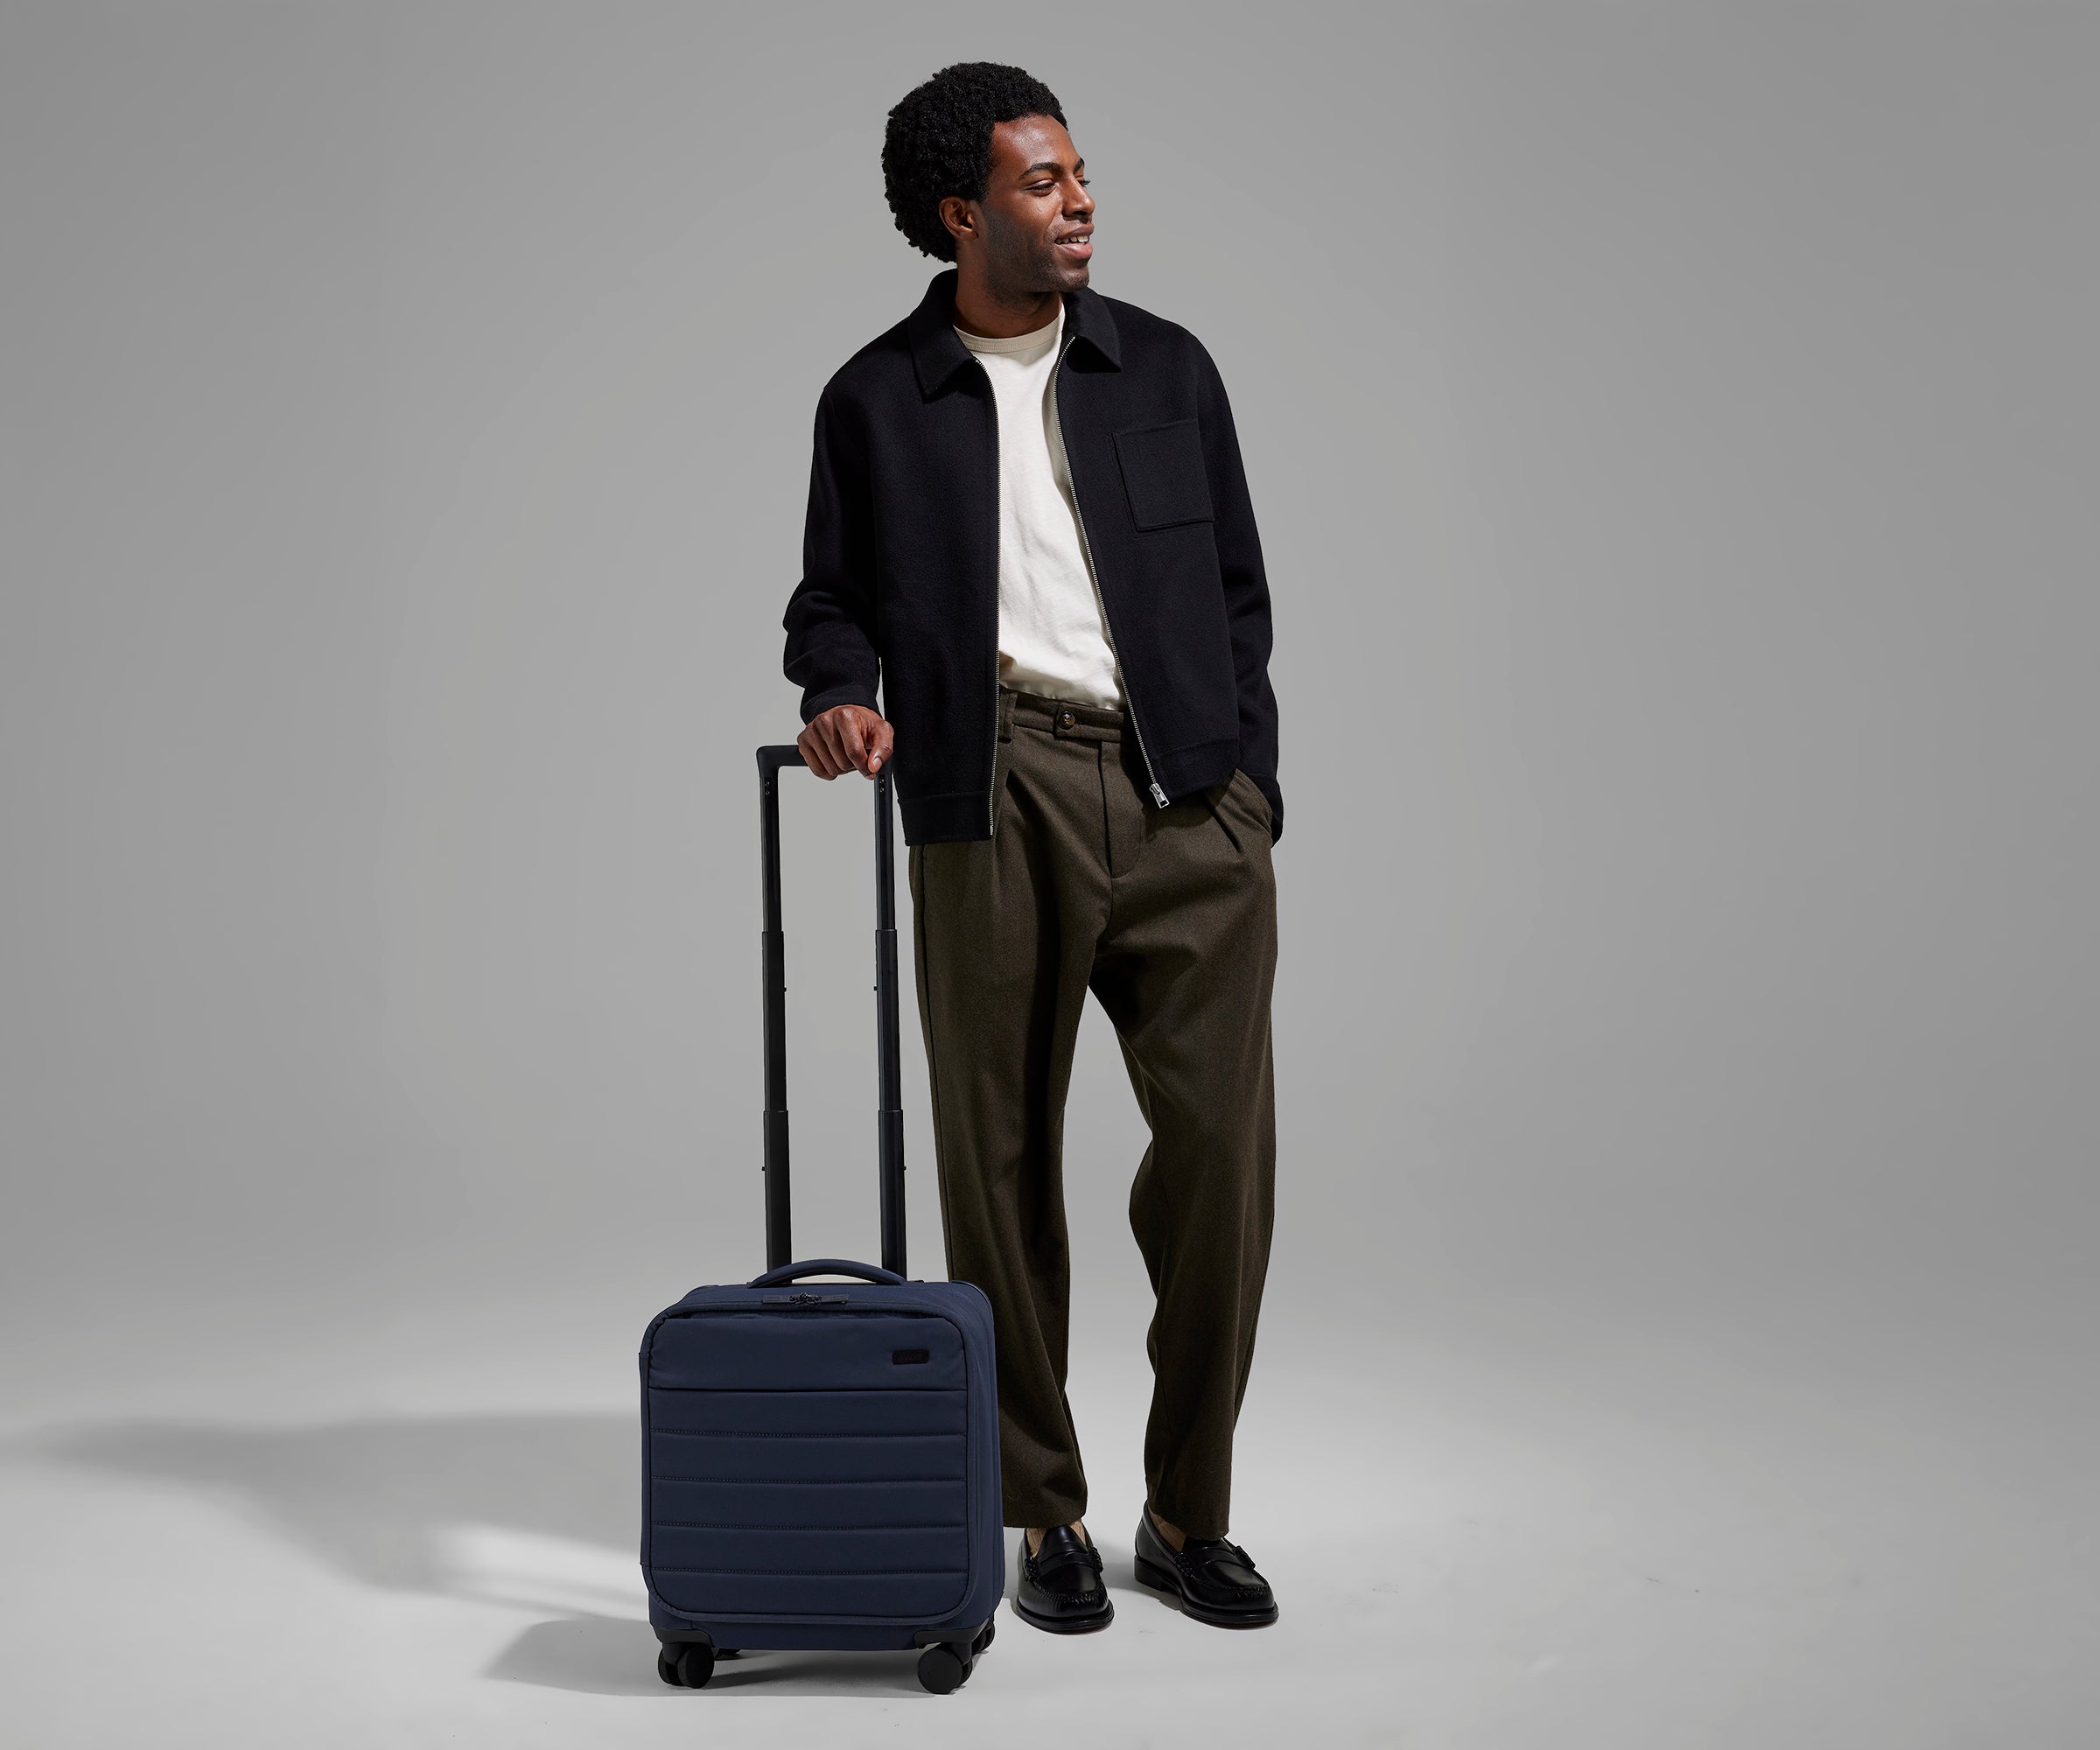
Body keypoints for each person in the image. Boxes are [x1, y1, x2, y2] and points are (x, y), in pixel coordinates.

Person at [781, 61, 1283, 1634]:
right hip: (989, 791)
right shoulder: (877, 398)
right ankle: (1042, 1508)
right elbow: (829, 603)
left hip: (1186, 798)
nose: (1079, 204)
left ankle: (1188, 1509)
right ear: (961, 212)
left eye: (1079, 176)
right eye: (1043, 182)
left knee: (1223, 1163)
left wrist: (1249, 788)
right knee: (997, 1171)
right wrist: (843, 694)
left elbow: (1243, 597)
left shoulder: (1167, 369)